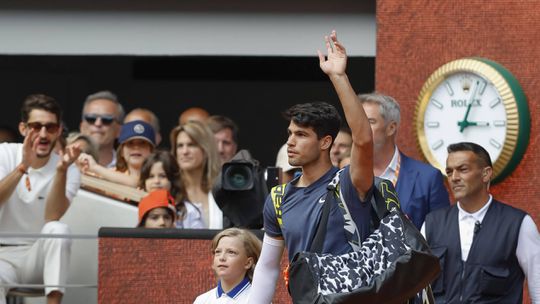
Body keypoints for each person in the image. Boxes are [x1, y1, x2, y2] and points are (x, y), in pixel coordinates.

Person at [249, 31, 374, 303]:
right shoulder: (278, 199)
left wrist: (338, 77)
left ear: (325, 142)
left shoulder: (349, 185)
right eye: (290, 133)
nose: (290, 142)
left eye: (301, 135)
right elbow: (268, 268)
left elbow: (363, 139)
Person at [422, 142, 539, 303]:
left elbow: (537, 284)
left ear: (486, 174)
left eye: (463, 169)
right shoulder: (432, 223)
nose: (454, 178)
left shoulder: (518, 224)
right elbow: (418, 286)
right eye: (449, 172)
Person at [0, 94, 81, 304]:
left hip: (36, 258)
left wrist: (61, 171)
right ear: (23, 129)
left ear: (59, 131)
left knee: (59, 230)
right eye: (36, 126)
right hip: (1, 256)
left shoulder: (68, 168)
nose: (43, 134)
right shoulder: (4, 153)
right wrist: (23, 167)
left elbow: (52, 217)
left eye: (51, 127)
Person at [359, 92, 450, 229]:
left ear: (391, 128)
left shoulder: (427, 178)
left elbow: (440, 235)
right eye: (358, 121)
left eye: (370, 121)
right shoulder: (345, 174)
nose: (361, 127)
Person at [170, 121, 222, 229]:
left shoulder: (221, 191)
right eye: (180, 146)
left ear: (206, 149)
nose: (184, 151)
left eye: (191, 145)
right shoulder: (170, 190)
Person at [194, 228, 262, 304]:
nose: (222, 258)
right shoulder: (201, 300)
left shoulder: (259, 300)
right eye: (218, 252)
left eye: (231, 252)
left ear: (248, 263)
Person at [78, 120, 155, 187]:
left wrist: (94, 167)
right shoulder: (109, 173)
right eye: (130, 143)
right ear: (121, 151)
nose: (136, 147)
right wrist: (80, 166)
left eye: (142, 143)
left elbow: (135, 182)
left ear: (151, 151)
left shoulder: (159, 175)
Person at [138, 150, 204, 228]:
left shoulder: (190, 211)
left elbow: (198, 239)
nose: (156, 181)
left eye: (162, 176)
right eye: (151, 176)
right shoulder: (134, 207)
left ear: (173, 180)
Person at [79, 90, 124, 168]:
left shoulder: (128, 168)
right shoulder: (67, 164)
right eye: (91, 118)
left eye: (106, 119)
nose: (98, 123)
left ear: (119, 130)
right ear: (82, 127)